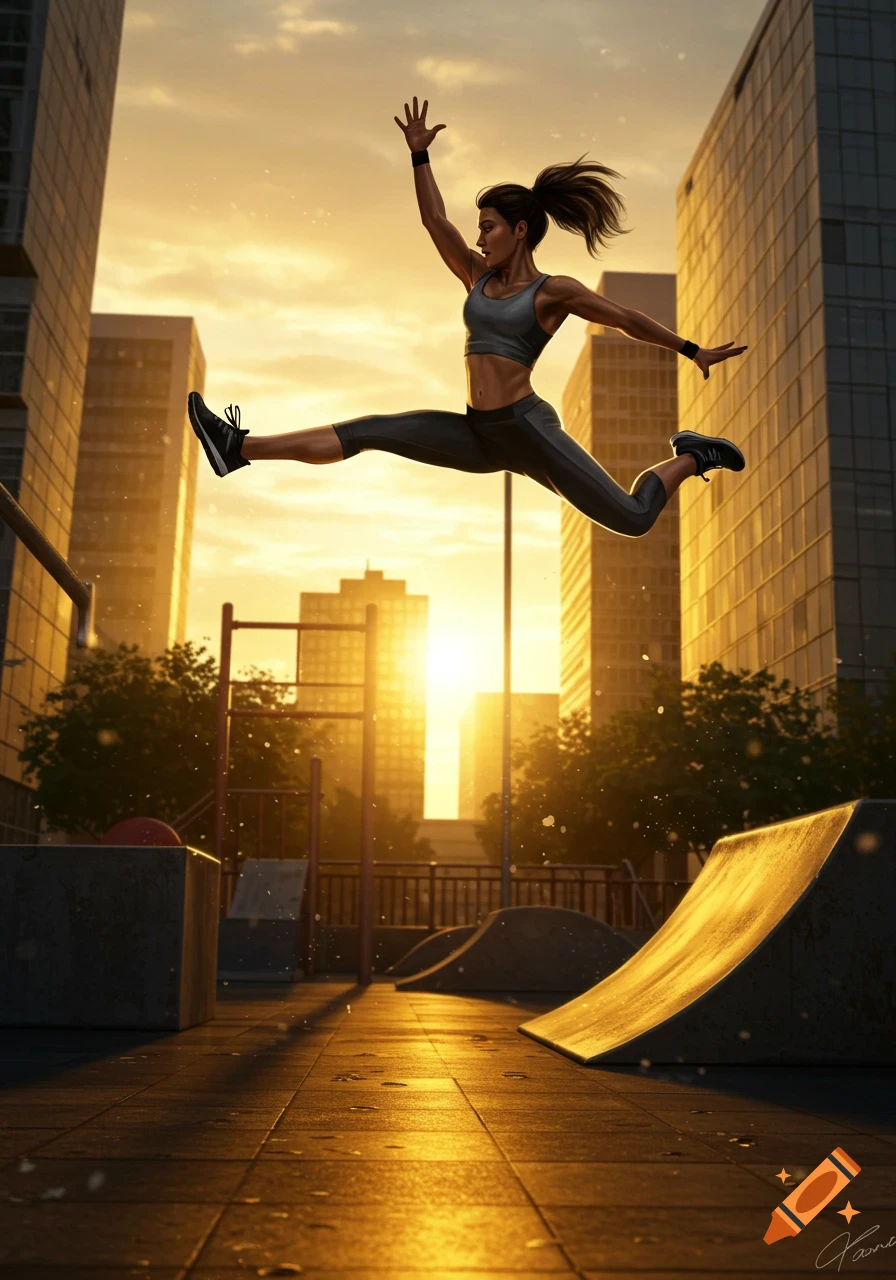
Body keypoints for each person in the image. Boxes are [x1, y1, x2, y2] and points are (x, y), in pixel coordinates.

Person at [188, 98, 748, 537]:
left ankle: (693, 454)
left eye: (488, 227)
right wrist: (419, 155)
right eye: (479, 228)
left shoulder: (553, 292)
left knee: (633, 518)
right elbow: (435, 220)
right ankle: (237, 448)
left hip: (528, 431)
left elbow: (623, 317)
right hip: (478, 432)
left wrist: (691, 350)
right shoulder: (475, 275)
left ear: (519, 231)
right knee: (370, 431)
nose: (479, 238)